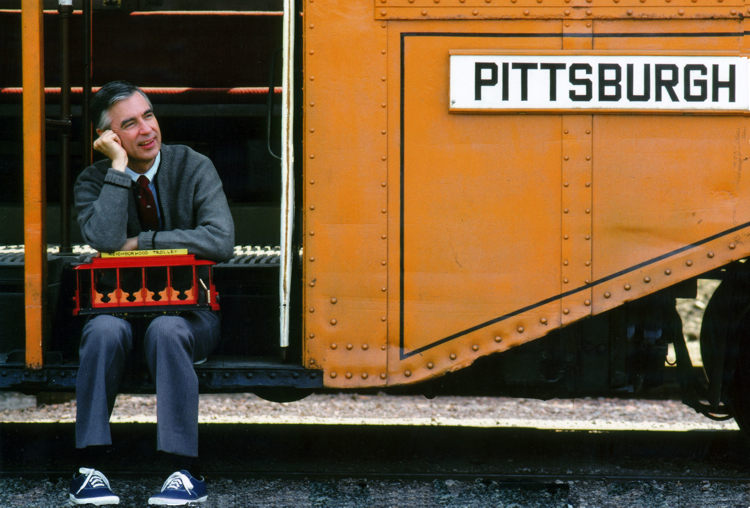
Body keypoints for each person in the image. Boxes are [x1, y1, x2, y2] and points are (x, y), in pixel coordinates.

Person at [70, 80, 235, 506]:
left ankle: (184, 471)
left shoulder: (193, 165)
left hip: (189, 315)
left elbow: (220, 240)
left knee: (167, 329)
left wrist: (142, 243)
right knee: (102, 331)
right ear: (107, 137)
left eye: (149, 115)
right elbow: (105, 238)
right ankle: (89, 468)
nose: (146, 129)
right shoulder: (92, 181)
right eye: (129, 124)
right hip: (117, 312)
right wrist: (118, 167)